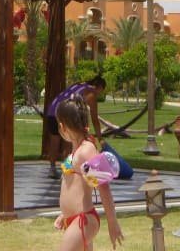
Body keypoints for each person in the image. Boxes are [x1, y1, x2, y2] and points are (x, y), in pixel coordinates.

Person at [53, 94, 124, 251]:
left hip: (83, 219)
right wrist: (65, 213)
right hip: (74, 219)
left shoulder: (86, 150)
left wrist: (113, 224)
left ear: (63, 126)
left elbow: (103, 187)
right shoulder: (76, 149)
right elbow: (74, 186)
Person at [47, 76, 107, 179]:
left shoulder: (78, 85)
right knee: (69, 144)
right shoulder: (91, 94)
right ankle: (66, 171)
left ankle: (52, 169)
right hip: (65, 114)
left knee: (54, 142)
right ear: (99, 86)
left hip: (52, 111)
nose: (100, 93)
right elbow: (94, 119)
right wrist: (100, 138)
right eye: (102, 90)